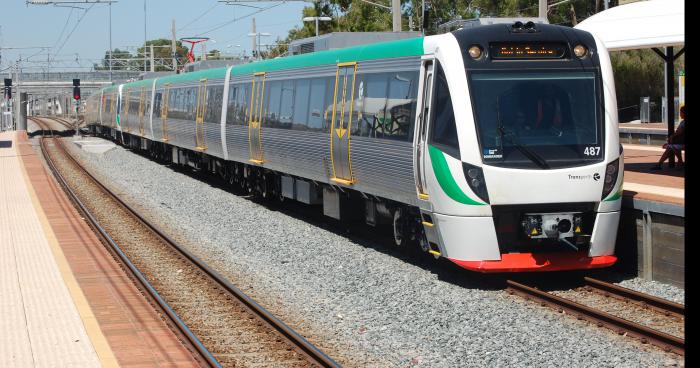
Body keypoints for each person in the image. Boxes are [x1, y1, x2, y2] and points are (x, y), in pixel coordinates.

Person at [651, 105, 685, 170]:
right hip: (679, 142)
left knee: (671, 147)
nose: (680, 114)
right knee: (671, 148)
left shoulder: (684, 123)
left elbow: (680, 132)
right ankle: (660, 164)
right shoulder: (682, 122)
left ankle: (659, 164)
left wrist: (672, 137)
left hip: (681, 142)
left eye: (681, 112)